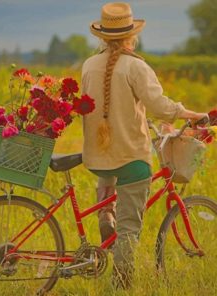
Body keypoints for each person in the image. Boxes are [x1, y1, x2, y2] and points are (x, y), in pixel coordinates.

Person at [81, 2, 207, 290]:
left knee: (108, 179)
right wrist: (191, 114)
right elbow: (161, 107)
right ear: (131, 36)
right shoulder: (136, 66)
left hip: (96, 157)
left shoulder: (89, 65)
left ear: (102, 36)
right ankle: (121, 286)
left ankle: (105, 214)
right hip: (130, 158)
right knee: (130, 229)